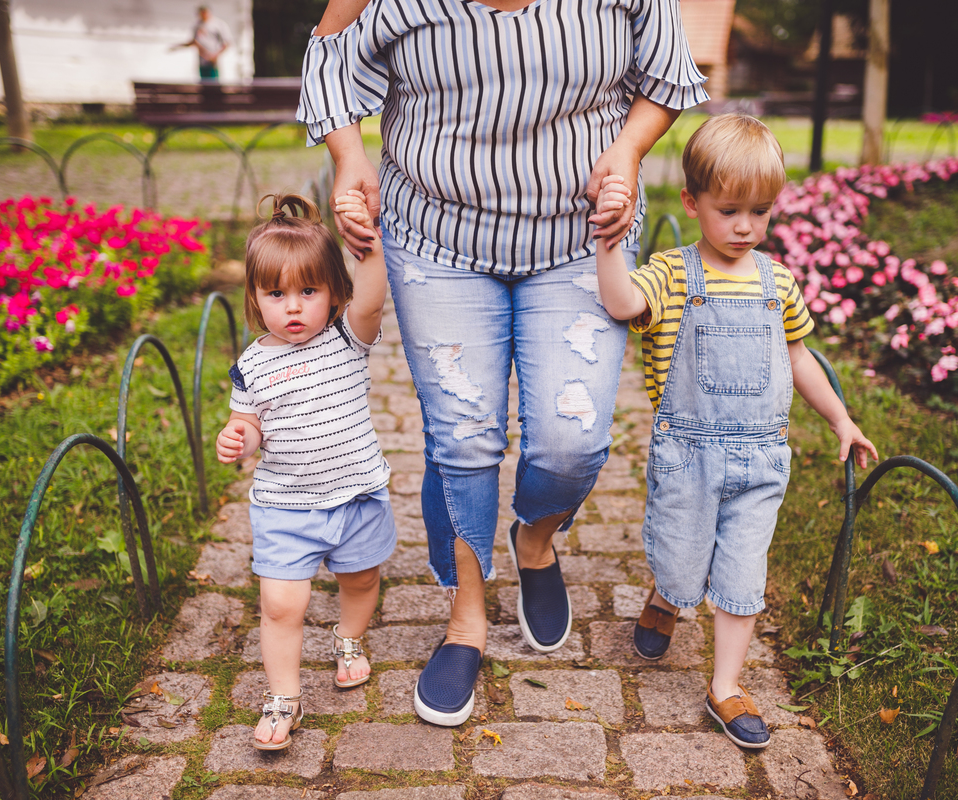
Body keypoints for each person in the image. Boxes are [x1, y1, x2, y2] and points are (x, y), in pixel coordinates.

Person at [299, 0, 710, 727]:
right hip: (438, 237)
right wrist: (349, 156)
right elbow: (330, 50)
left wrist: (629, 149)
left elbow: (665, 70)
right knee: (462, 435)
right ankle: (466, 618)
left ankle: (534, 541)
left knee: (570, 441)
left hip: (581, 239)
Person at [593, 113, 878, 749]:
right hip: (687, 456)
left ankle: (725, 686)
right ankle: (668, 596)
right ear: (693, 203)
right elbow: (620, 304)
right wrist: (609, 243)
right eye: (728, 211)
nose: (745, 226)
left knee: (742, 578)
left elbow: (799, 356)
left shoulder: (778, 282)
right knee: (682, 561)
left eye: (759, 211)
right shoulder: (671, 273)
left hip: (761, 461)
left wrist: (841, 417)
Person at [215, 191, 395, 751]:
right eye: (276, 294)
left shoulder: (348, 336)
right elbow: (249, 429)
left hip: (356, 495)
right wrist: (238, 440)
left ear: (333, 293)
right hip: (285, 505)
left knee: (361, 580)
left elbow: (372, 298)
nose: (293, 308)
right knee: (280, 604)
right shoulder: (252, 365)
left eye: (309, 292)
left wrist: (370, 244)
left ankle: (348, 638)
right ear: (255, 298)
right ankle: (284, 697)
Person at [175, 5, 231, 81]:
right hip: (202, 60)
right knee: (203, 81)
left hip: (213, 60)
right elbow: (193, 41)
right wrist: (178, 46)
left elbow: (227, 43)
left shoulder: (218, 24)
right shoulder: (197, 25)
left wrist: (216, 55)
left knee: (214, 82)